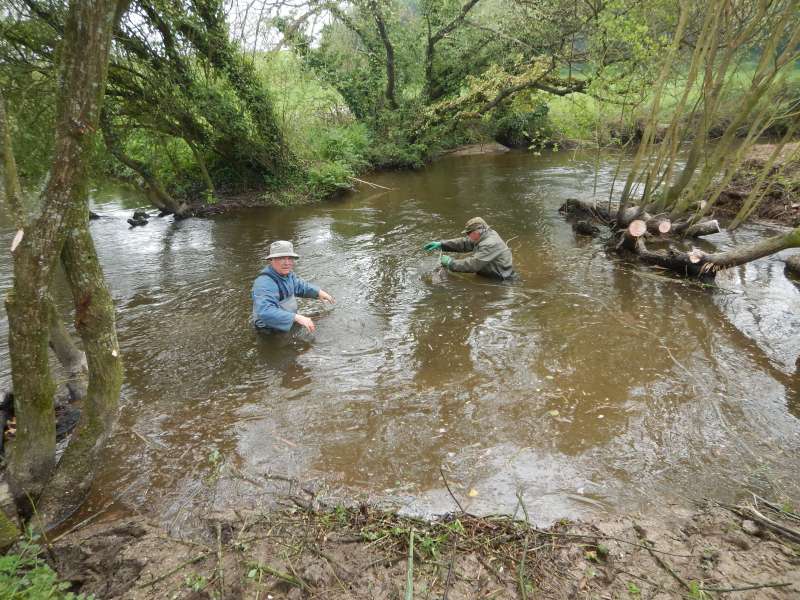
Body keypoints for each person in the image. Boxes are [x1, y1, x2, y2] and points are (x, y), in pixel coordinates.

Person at [252, 240, 335, 333]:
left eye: (290, 258)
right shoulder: (264, 283)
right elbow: (265, 311)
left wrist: (318, 292)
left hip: (287, 318)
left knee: (324, 317)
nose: (287, 263)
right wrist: (296, 317)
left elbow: (299, 286)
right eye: (281, 258)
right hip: (269, 330)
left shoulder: (287, 274)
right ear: (271, 260)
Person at [423, 217, 515, 280]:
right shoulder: (484, 235)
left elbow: (473, 265)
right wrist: (442, 244)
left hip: (501, 279)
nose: (467, 235)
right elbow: (464, 243)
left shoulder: (490, 243)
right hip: (491, 274)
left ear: (477, 231)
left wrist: (450, 263)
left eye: (468, 233)